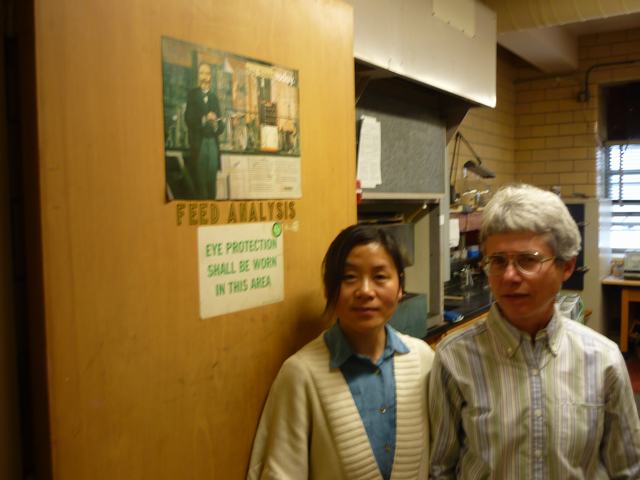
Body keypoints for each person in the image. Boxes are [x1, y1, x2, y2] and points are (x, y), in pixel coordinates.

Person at [429, 183, 640, 479]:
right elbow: (441, 469)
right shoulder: (454, 358)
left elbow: (628, 470)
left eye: (528, 260)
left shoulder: (603, 359)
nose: (509, 276)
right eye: (498, 261)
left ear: (567, 267)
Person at [248, 224, 435, 479]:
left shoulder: (424, 360)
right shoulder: (301, 374)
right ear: (329, 289)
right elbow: (282, 472)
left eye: (380, 276)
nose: (365, 291)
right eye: (349, 277)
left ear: (400, 287)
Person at [184, 62, 225, 199]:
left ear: (210, 77)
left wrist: (216, 123)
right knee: (200, 182)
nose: (204, 77)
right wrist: (204, 118)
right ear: (198, 76)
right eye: (201, 73)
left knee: (212, 180)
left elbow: (220, 126)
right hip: (199, 143)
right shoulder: (192, 95)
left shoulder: (214, 98)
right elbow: (188, 119)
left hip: (212, 144)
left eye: (207, 74)